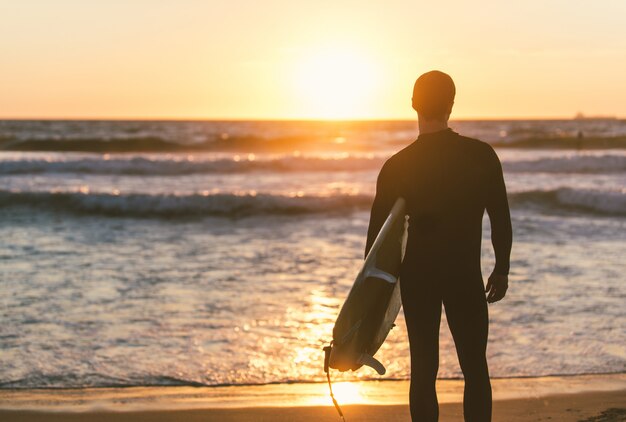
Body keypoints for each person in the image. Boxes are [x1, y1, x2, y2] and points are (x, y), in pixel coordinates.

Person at [365, 71, 512, 421]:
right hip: (464, 274)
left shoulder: (397, 165)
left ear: (414, 104)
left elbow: (375, 244)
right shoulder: (480, 155)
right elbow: (501, 219)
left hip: (418, 279)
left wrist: (376, 300)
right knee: (475, 367)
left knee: (424, 370)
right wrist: (501, 268)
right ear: (451, 105)